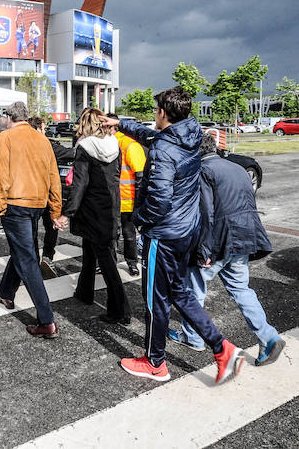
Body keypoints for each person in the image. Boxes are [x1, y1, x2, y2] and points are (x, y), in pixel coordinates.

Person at [107, 87, 244, 385]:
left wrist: (139, 220)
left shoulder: (163, 149)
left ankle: (155, 362)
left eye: (156, 111)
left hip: (164, 233)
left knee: (155, 300)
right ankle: (223, 349)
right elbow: (151, 137)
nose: (153, 116)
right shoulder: (188, 135)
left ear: (163, 114)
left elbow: (158, 199)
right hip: (186, 230)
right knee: (180, 293)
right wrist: (120, 125)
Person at [169, 133, 285, 366]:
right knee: (242, 290)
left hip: (219, 240)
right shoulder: (239, 168)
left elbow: (205, 213)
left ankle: (193, 337)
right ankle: (268, 336)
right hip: (244, 237)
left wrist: (204, 251)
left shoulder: (202, 172)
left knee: (193, 291)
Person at [0, 102, 64, 338]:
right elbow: (54, 177)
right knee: (23, 250)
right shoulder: (42, 139)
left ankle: (47, 320)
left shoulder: (6, 137)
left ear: (10, 118)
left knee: (27, 259)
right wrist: (54, 210)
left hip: (16, 203)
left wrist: (0, 205)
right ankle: (5, 292)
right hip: (37, 203)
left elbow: (0, 173)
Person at [57, 108, 131, 325]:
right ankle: (84, 291)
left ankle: (120, 310)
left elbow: (79, 184)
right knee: (92, 250)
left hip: (91, 209)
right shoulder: (114, 145)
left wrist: (67, 212)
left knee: (106, 260)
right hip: (110, 207)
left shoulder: (84, 148)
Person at [28, 116, 74, 278]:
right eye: (44, 128)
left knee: (31, 228)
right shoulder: (47, 145)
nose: (45, 131)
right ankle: (47, 257)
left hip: (30, 194)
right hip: (47, 194)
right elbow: (70, 153)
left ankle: (33, 258)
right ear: (38, 129)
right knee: (51, 226)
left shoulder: (24, 146)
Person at [112, 115, 145, 277]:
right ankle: (131, 263)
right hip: (126, 200)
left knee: (119, 234)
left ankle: (125, 263)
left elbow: (140, 175)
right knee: (127, 235)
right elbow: (141, 175)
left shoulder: (126, 144)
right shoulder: (128, 144)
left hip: (120, 200)